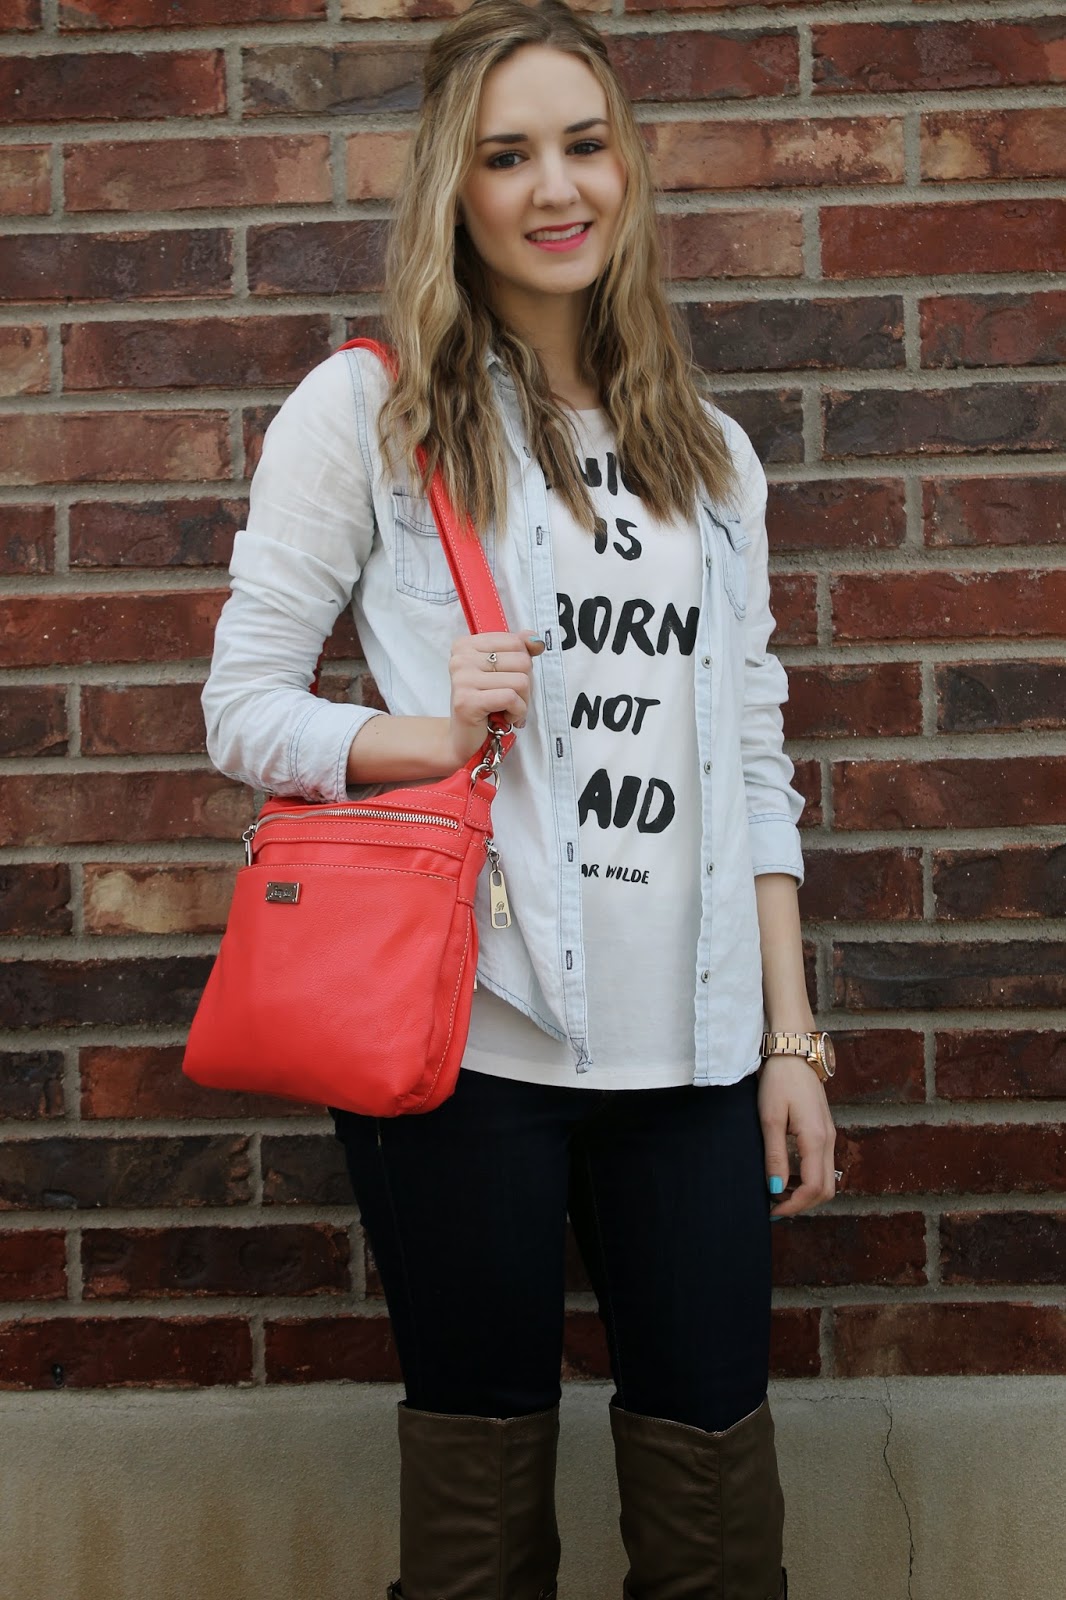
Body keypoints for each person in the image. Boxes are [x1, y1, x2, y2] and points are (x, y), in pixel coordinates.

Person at [202, 1, 838, 1594]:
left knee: (717, 1512)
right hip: (464, 1042)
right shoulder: (371, 416)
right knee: (477, 1513)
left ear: (626, 166)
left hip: (691, 1055)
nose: (556, 188)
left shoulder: (710, 457)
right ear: (454, 187)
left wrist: (787, 1041)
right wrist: (422, 734)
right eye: (506, 156)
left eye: (583, 144)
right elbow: (241, 709)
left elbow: (752, 759)